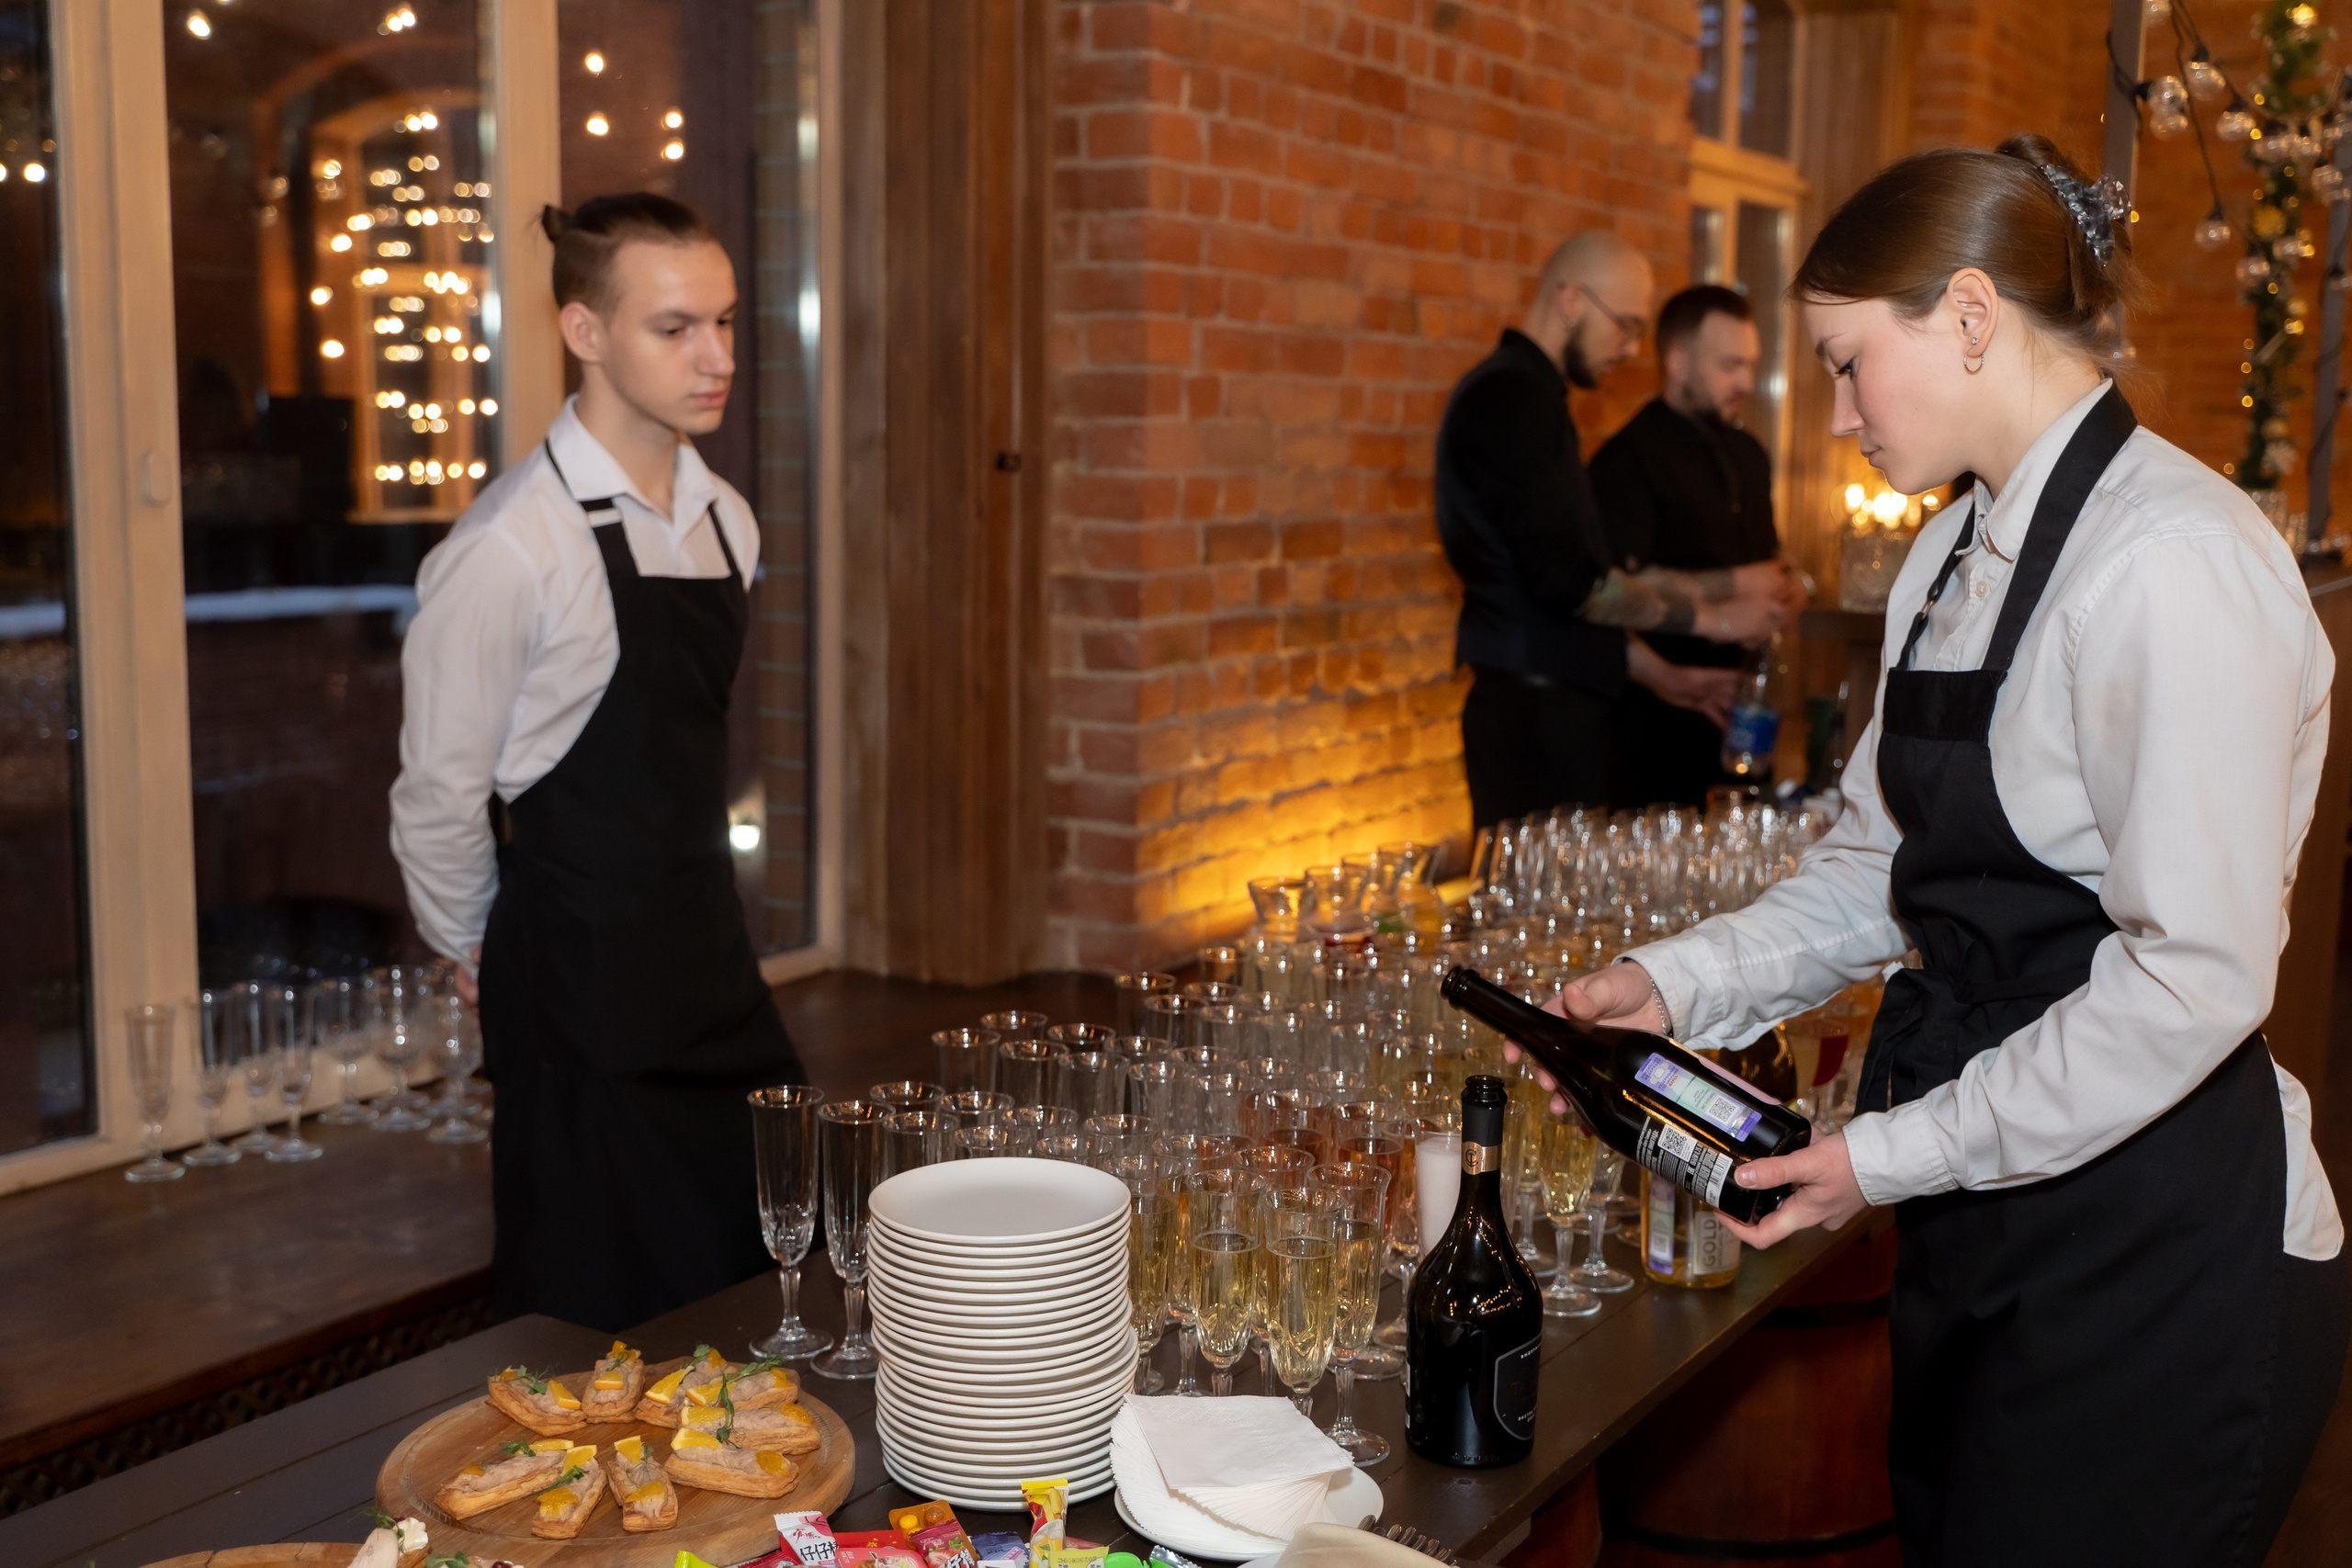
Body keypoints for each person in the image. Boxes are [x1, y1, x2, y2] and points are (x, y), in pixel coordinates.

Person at [1537, 137, 2349, 1564]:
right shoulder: (1945, 557)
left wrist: (1887, 1152)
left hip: (2154, 1249)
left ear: (1972, 315)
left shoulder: (2172, 561)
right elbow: (1873, 874)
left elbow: (2194, 982)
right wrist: (1671, 985)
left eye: (1851, 362)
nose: (1836, 411)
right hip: (1988, 1218)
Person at [390, 194, 804, 1332]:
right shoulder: (508, 548)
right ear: (585, 334)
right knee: (598, 1324)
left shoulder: (727, 521)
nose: (716, 358)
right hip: (576, 994)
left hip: (711, 969)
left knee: (765, 1287)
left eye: (723, 323)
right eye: (676, 329)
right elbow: (436, 799)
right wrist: (489, 949)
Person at [1434, 232, 1798, 829]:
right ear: (1571, 300)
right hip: (1532, 717)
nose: (1631, 348)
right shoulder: (1511, 399)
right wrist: (1718, 617)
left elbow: (1566, 591)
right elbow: (1572, 583)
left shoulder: (1535, 400)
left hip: (1555, 705)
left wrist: (1668, 676)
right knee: (1541, 913)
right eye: (1624, 325)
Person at [1589, 286, 1787, 807]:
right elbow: (1604, 591)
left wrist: (1787, 589)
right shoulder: (1626, 461)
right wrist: (1735, 592)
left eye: (1749, 365)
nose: (1745, 381)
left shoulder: (1749, 453)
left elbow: (1769, 563)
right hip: (1653, 725)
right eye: (1729, 365)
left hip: (1740, 720)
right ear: (1678, 364)